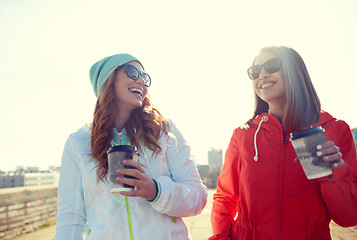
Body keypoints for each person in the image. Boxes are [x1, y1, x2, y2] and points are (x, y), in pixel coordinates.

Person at [210, 46, 357, 240]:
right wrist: (221, 237)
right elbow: (225, 198)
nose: (262, 74)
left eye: (272, 65)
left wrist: (330, 173)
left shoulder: (333, 130)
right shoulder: (243, 136)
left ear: (294, 71)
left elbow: (348, 218)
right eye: (255, 71)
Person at [55, 53, 207, 240]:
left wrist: (156, 191)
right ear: (107, 79)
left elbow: (198, 197)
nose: (142, 81)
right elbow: (70, 219)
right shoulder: (78, 143)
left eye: (145, 77)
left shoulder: (164, 131)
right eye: (133, 72)